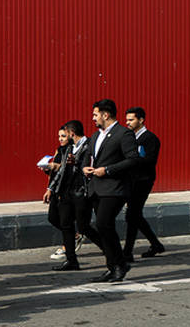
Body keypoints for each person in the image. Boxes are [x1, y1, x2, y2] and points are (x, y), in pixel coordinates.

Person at [81, 99, 139, 282]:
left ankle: (120, 263)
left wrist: (107, 170)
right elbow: (88, 156)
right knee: (103, 227)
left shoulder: (124, 134)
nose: (93, 118)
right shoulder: (95, 136)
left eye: (95, 115)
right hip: (96, 188)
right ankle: (112, 266)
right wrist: (84, 168)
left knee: (103, 223)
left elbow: (133, 159)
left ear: (105, 115)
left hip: (115, 188)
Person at [48, 120, 94, 272]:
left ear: (71, 133)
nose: (63, 137)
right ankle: (71, 260)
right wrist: (52, 188)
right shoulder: (70, 148)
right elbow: (62, 172)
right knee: (65, 224)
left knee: (84, 227)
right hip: (67, 191)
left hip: (82, 192)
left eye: (65, 134)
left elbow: (89, 167)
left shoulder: (88, 145)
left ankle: (112, 254)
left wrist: (77, 163)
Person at [123, 107, 164, 260]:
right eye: (127, 120)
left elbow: (150, 160)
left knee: (132, 214)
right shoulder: (129, 138)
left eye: (131, 120)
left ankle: (127, 252)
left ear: (141, 120)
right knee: (134, 215)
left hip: (143, 181)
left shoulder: (150, 138)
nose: (128, 123)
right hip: (130, 180)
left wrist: (132, 160)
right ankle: (155, 244)